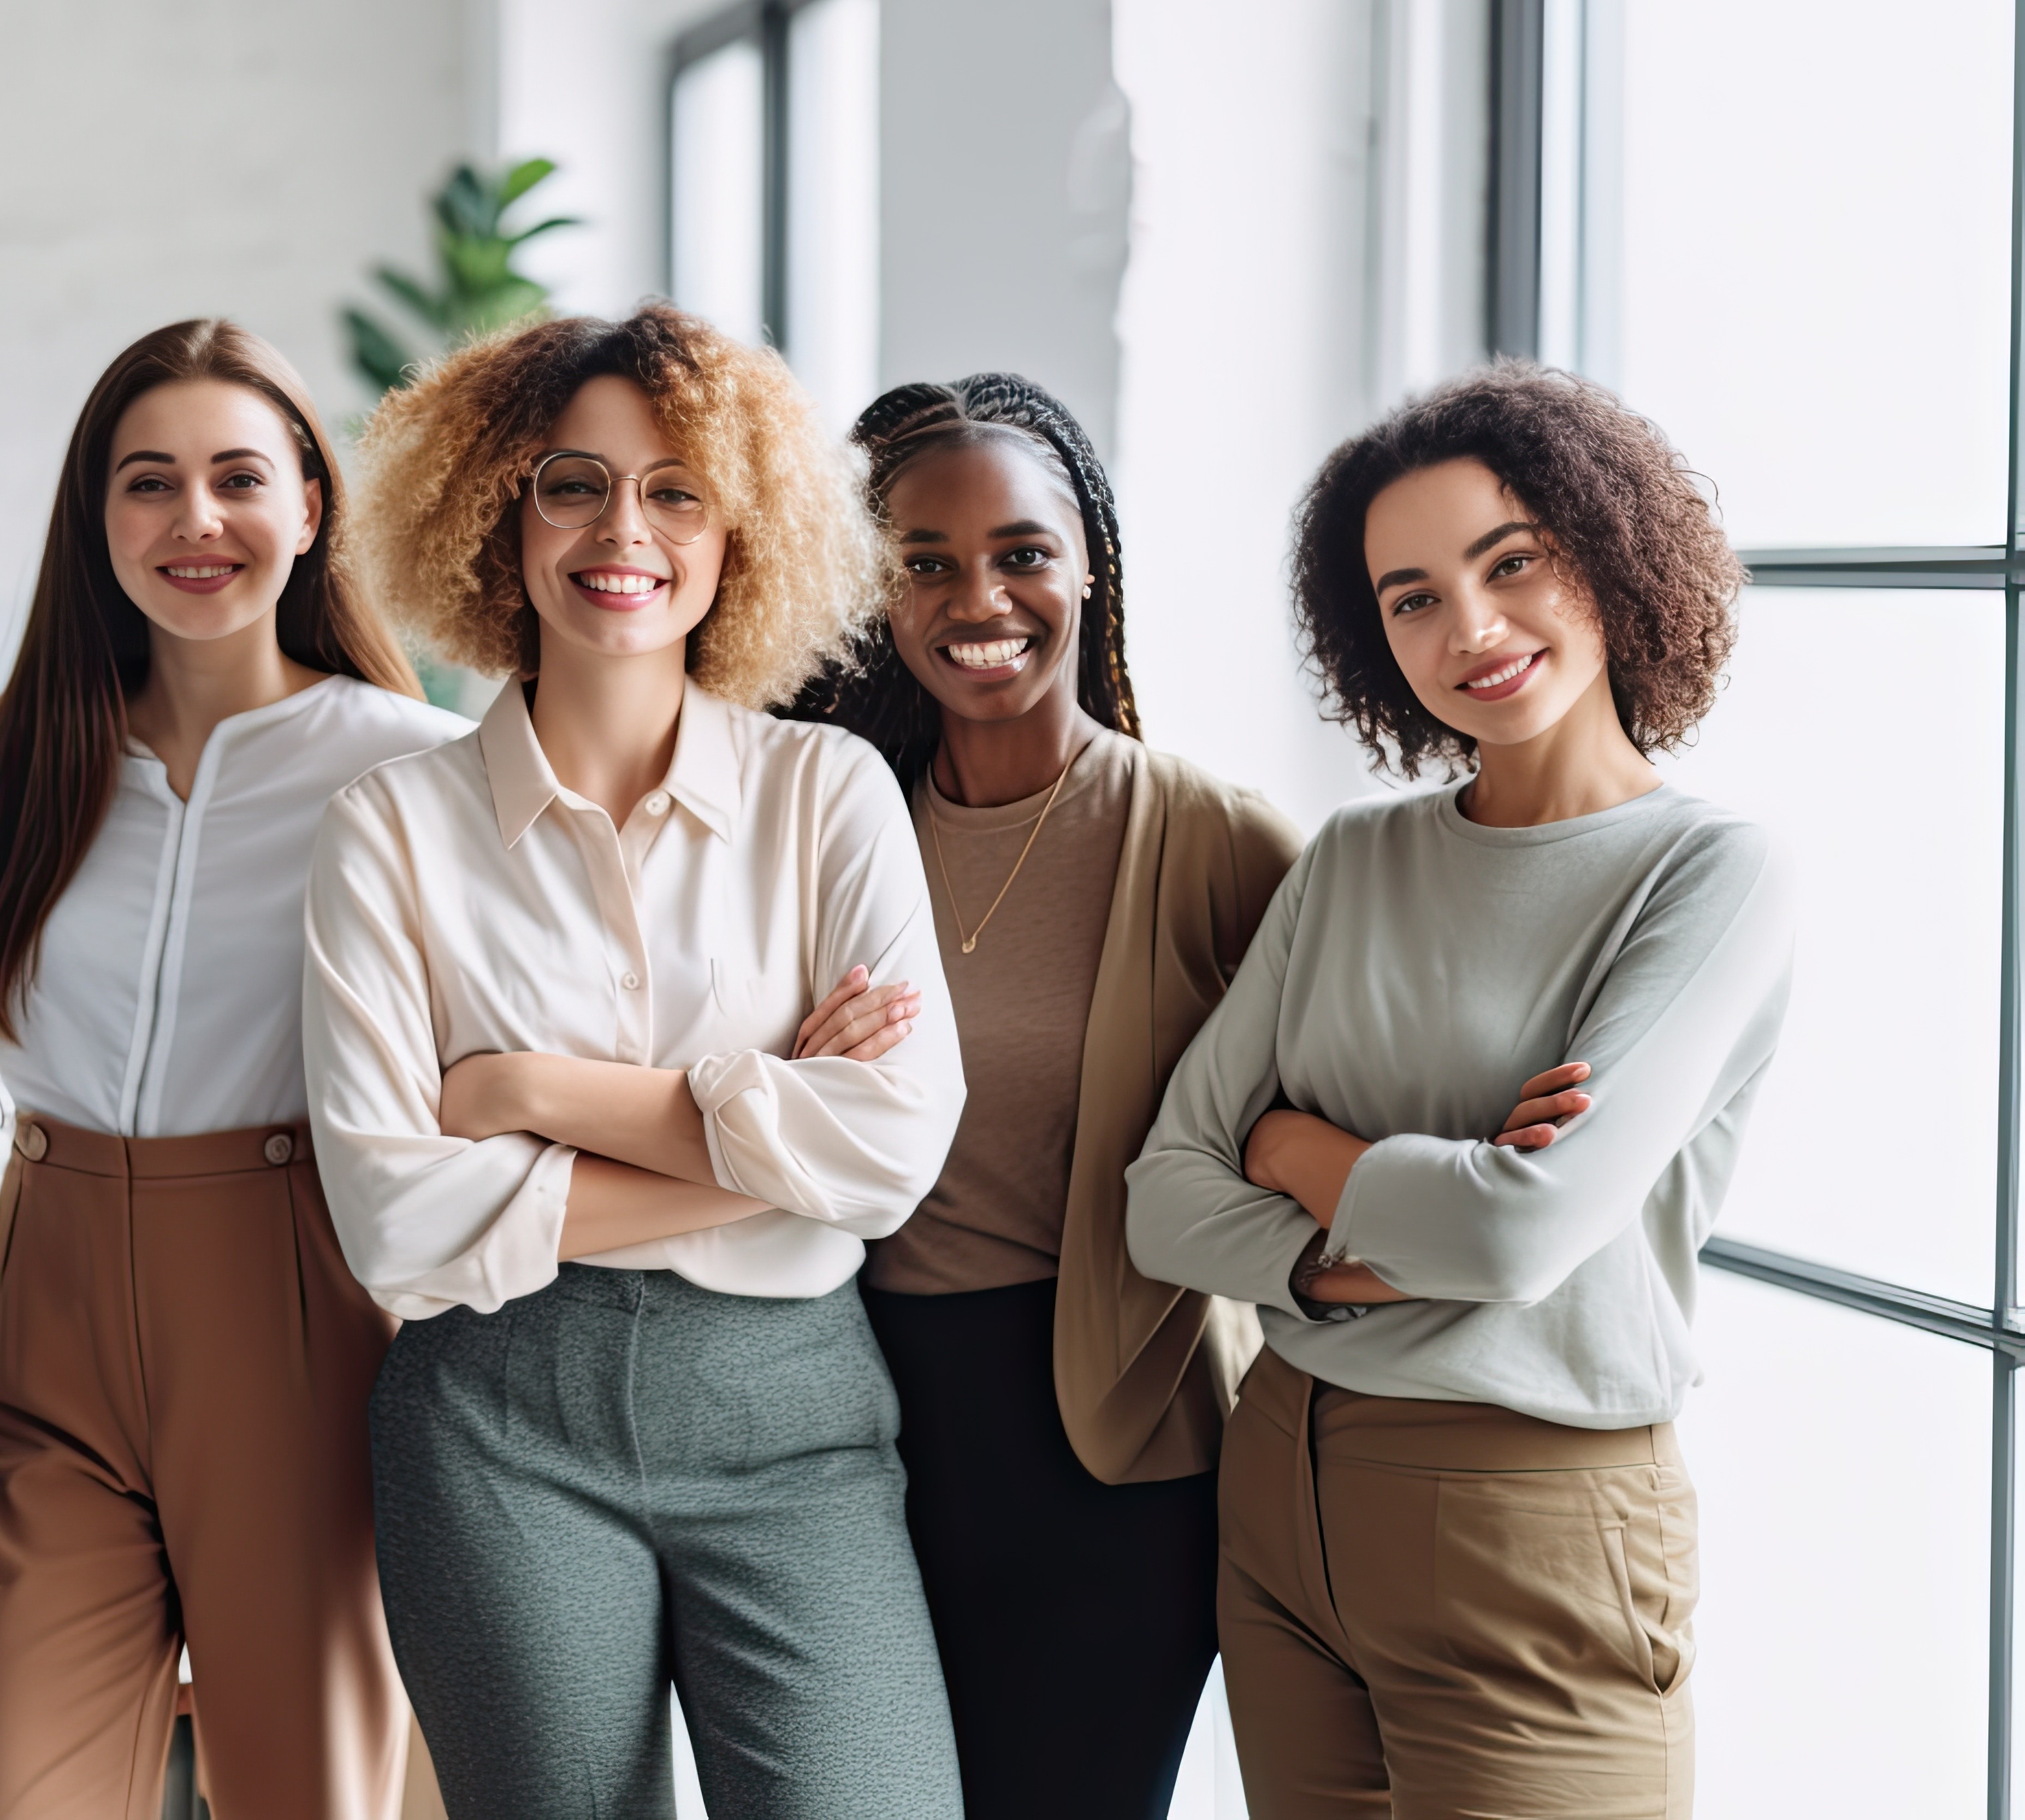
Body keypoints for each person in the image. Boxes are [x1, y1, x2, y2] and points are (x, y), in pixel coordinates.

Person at [305, 306, 969, 1818]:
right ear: (496, 514)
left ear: (741, 534)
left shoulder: (828, 794)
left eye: (678, 490)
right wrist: (771, 1146)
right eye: (573, 483)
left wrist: (528, 1099)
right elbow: (394, 1223)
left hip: (793, 1421)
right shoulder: (392, 828)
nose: (627, 530)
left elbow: (892, 1156)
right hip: (492, 1417)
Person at [1123, 364, 1791, 1819]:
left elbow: (1515, 1239)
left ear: (1608, 556)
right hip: (1280, 1486)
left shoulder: (1710, 875)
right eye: (1413, 597)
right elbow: (1165, 1198)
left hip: (1530, 1514)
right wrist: (1359, 1247)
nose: (1471, 629)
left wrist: (1294, 1144)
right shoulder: (1354, 859)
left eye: (1513, 562)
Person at [0, 319, 459, 1820]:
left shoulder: (410, 774)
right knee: (14, 1794)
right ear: (98, 522)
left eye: (237, 477)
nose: (194, 521)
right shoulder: (1, 764)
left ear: (310, 508)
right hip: (49, 1300)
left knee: (308, 1796)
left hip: (298, 1302)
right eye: (149, 482)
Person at [781, 375, 1299, 1818]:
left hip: (1112, 1465)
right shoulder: (826, 823)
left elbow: (1349, 1091)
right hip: (847, 1444)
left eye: (1021, 551)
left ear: (1090, 565)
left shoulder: (1210, 841)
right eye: (925, 562)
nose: (979, 596)